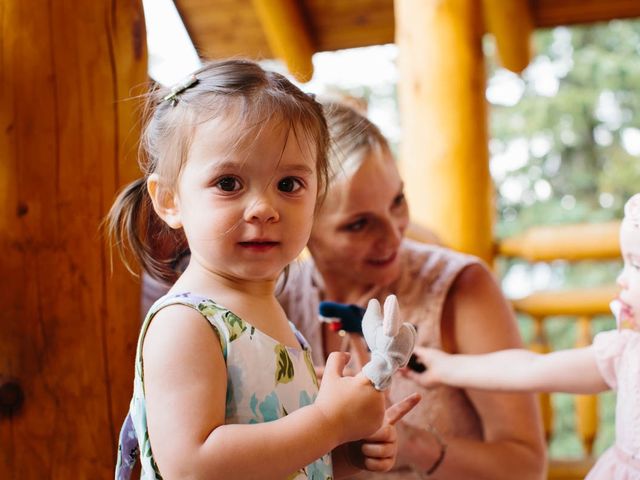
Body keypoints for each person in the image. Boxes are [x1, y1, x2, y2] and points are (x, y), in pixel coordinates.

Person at [107, 60, 420, 480]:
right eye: (228, 184)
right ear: (169, 200)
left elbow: (283, 459)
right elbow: (192, 465)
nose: (264, 209)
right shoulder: (186, 323)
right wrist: (327, 423)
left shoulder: (275, 321)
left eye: (289, 185)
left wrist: (346, 451)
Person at [277, 101, 547, 479]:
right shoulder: (276, 299)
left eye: (397, 202)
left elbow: (526, 467)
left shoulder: (461, 287)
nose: (393, 235)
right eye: (359, 224)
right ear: (302, 226)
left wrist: (411, 444)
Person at [405, 193, 640, 480]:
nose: (622, 279)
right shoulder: (626, 353)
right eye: (624, 263)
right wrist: (447, 367)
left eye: (636, 265)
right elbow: (531, 368)